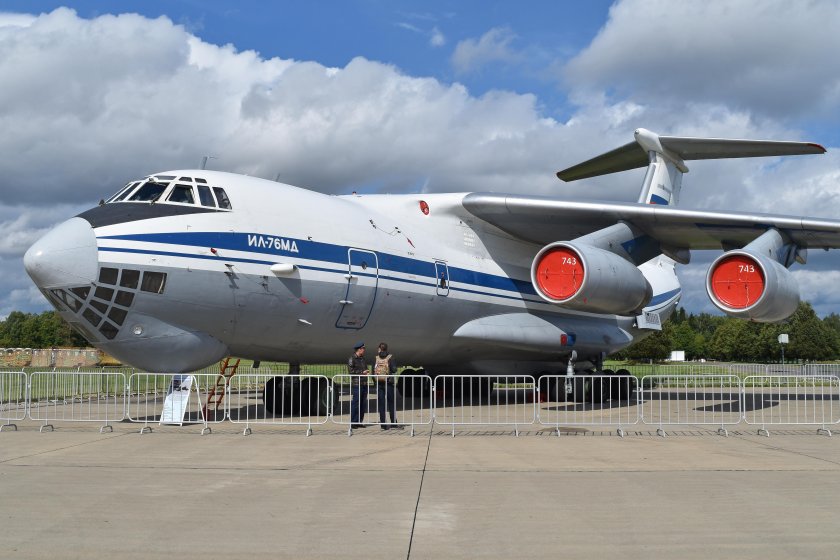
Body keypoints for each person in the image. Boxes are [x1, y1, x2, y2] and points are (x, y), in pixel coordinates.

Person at [374, 342, 403, 430]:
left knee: (381, 404)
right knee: (391, 403)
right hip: (389, 383)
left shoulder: (376, 358)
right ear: (386, 349)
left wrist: (376, 382)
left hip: (379, 383)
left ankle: (383, 424)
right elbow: (394, 369)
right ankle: (393, 423)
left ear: (379, 349)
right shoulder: (391, 357)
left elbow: (373, 372)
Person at [348, 342, 369, 428]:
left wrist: (367, 371)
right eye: (363, 348)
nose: (364, 350)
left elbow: (366, 368)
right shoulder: (352, 359)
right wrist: (362, 373)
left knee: (363, 404)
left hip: (364, 383)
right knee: (356, 403)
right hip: (357, 384)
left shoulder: (363, 359)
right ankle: (353, 422)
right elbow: (351, 372)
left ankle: (359, 421)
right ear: (359, 349)